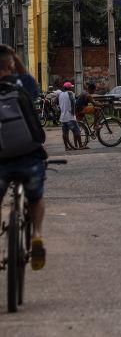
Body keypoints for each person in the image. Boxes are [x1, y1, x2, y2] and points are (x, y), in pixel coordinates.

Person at [0, 45, 48, 270]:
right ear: (10, 65)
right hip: (29, 155)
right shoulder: (22, 84)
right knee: (36, 197)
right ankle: (37, 234)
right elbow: (31, 82)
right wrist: (14, 58)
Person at [59, 82, 84, 151]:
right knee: (77, 131)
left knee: (65, 133)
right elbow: (73, 103)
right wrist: (73, 113)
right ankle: (80, 146)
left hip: (63, 116)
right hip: (70, 116)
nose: (72, 88)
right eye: (71, 87)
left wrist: (61, 110)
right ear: (69, 88)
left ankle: (66, 147)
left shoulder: (60, 94)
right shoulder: (70, 93)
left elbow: (56, 103)